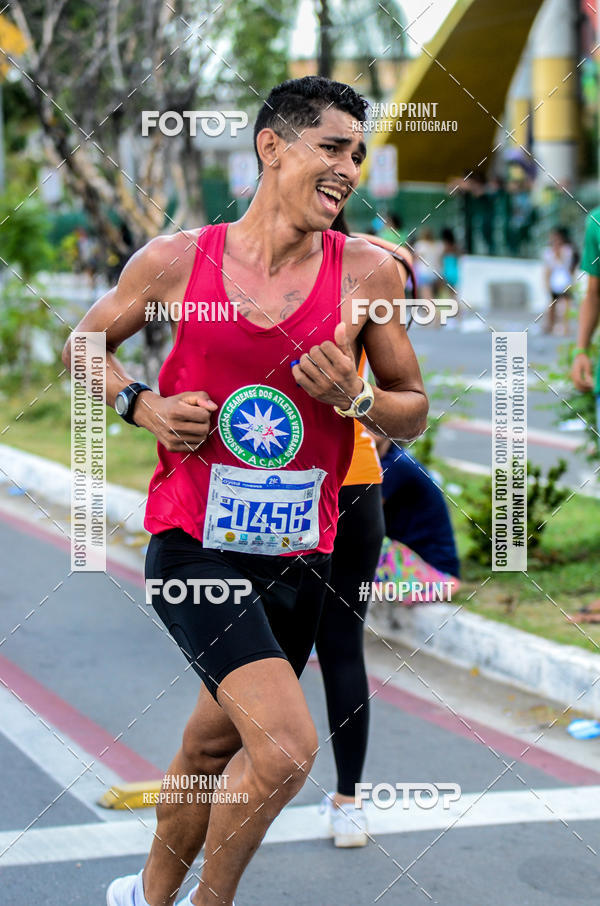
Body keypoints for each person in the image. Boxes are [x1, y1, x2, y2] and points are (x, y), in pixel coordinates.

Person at [62, 76, 428, 906]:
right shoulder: (174, 262)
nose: (347, 169)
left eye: (357, 156)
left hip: (302, 554)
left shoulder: (369, 272)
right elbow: (84, 346)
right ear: (273, 145)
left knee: (205, 749)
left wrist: (359, 400)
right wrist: (141, 403)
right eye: (331, 147)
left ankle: (144, 897)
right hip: (196, 543)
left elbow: (411, 413)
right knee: (287, 749)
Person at [316, 212, 415, 847]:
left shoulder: (241, 265)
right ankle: (349, 803)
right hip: (353, 477)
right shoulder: (374, 263)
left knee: (245, 653)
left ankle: (235, 790)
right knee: (342, 644)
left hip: (268, 485)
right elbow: (399, 392)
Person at [375, 441, 460, 599]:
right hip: (408, 557)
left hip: (434, 571)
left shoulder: (395, 465)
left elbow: (357, 518)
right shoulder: (392, 458)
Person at [543, 226, 578, 336]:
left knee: (566, 303)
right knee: (552, 303)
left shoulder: (567, 250)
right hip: (555, 281)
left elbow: (568, 265)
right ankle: (550, 325)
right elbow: (548, 269)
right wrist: (546, 282)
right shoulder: (549, 251)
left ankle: (565, 326)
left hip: (565, 280)